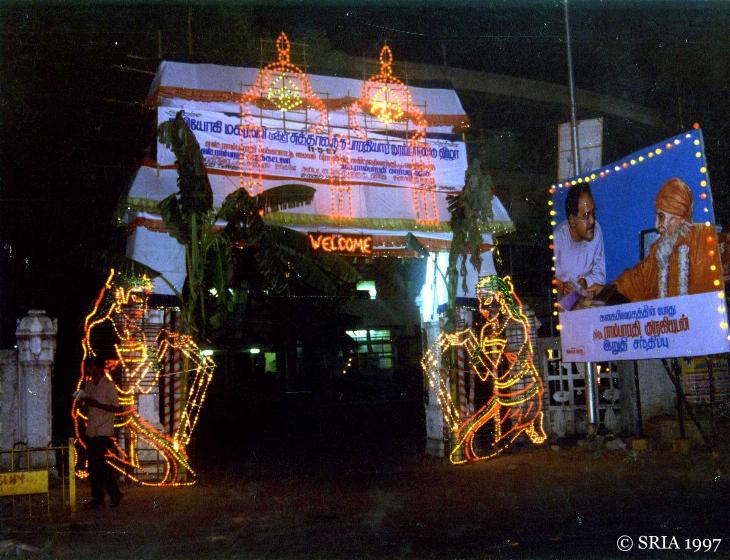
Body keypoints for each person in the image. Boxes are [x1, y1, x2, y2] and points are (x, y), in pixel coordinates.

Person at [612, 177, 722, 302]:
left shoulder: (704, 237)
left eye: (661, 216)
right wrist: (605, 291)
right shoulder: (657, 249)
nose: (656, 226)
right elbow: (634, 281)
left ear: (680, 216)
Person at [79, 356, 124, 508]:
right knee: (96, 466)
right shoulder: (89, 385)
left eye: (91, 366)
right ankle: (110, 495)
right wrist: (84, 402)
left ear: (98, 368)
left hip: (104, 430)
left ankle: (102, 497)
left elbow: (116, 407)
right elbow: (86, 403)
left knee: (97, 464)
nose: (89, 369)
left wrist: (98, 405)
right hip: (92, 429)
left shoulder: (109, 385)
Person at [553, 184, 606, 305]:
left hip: (586, 300)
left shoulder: (596, 230)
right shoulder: (558, 238)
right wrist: (562, 286)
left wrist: (584, 282)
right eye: (586, 216)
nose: (592, 221)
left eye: (593, 213)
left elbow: (600, 274)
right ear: (572, 220)